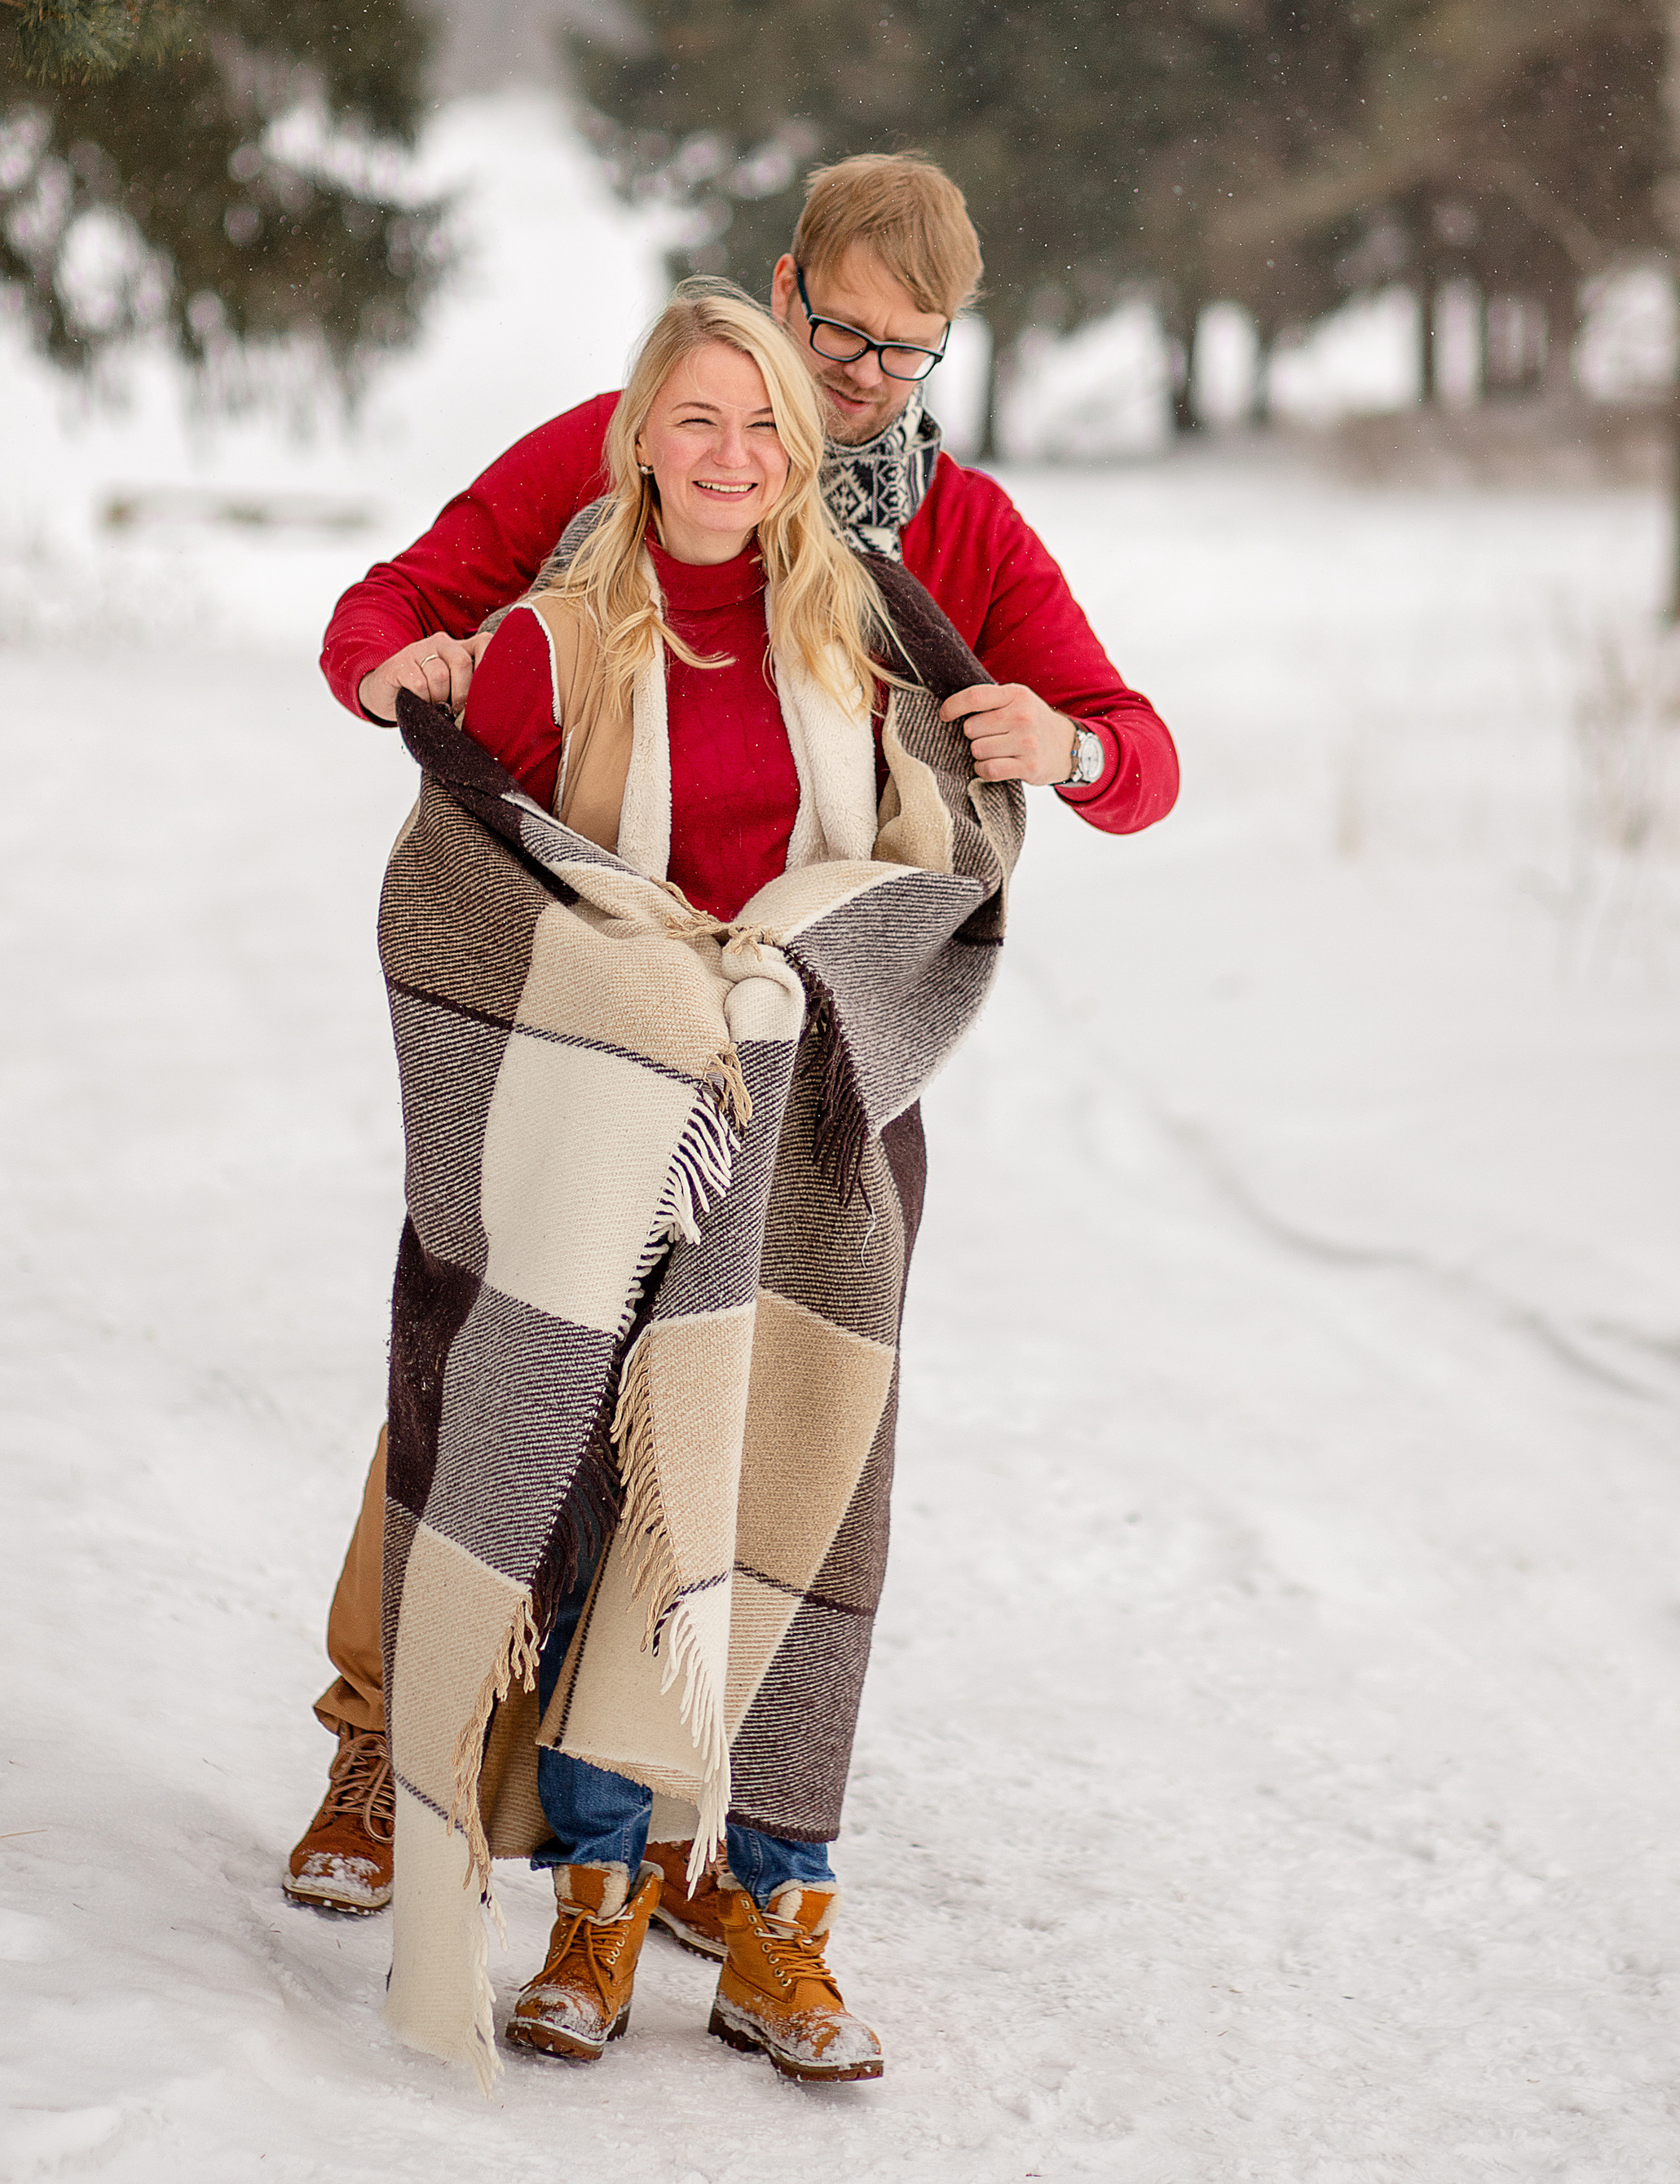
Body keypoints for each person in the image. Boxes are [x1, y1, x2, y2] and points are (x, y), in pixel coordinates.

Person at [286, 151, 1180, 1946]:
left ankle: (687, 1809)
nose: (858, 380)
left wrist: (1065, 744)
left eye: (905, 352)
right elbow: (388, 605)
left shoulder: (959, 535)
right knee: (487, 1365)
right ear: (784, 289)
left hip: (810, 1064)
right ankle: (388, 1740)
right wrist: (403, 672)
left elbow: (1133, 751)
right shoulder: (636, 439)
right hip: (591, 1022)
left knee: (769, 1430)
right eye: (838, 333)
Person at [373, 281, 1028, 2083]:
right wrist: (656, 989)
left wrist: (800, 970)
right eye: (695, 423)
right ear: (639, 443)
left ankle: (779, 1919)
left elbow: (938, 859)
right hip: (627, 1133)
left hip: (820, 1133)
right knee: (612, 1495)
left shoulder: (867, 643)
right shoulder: (552, 646)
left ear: (801, 452)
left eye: (763, 428)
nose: (732, 457)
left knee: (808, 1505)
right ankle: (596, 1904)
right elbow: (475, 879)